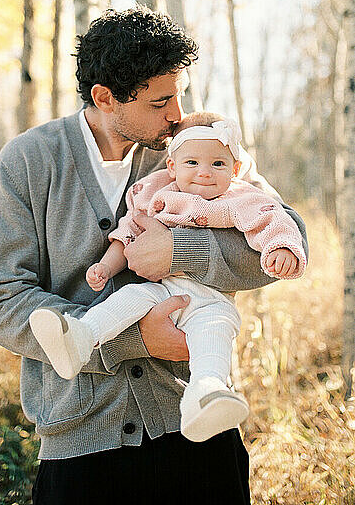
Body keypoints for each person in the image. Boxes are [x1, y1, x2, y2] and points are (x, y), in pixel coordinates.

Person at [0, 6, 308, 505]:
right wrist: (135, 338)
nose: (177, 115)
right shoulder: (28, 161)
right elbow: (1, 301)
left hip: (196, 431)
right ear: (106, 99)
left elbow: (287, 236)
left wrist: (180, 249)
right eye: (160, 102)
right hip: (82, 445)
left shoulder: (201, 149)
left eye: (179, 95)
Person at [29, 112, 307, 443]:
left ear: (234, 169)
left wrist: (281, 248)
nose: (204, 172)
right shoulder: (158, 194)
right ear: (173, 166)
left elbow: (270, 220)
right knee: (127, 299)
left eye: (218, 164)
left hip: (213, 301)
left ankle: (205, 396)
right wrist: (106, 265)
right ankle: (80, 338)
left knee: (213, 337)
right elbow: (128, 232)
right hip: (162, 292)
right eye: (192, 163)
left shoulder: (240, 196)